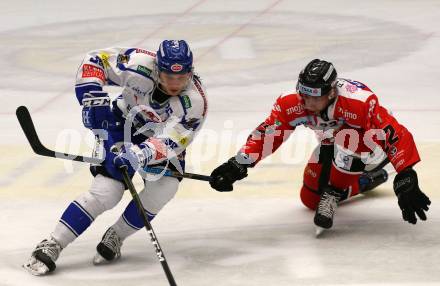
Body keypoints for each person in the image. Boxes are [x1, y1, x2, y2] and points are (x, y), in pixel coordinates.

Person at [23, 40, 208, 275]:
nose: (174, 83)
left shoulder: (195, 102)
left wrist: (138, 155)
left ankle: (116, 235)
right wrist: (93, 98)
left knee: (165, 187)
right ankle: (53, 243)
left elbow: (173, 140)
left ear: (190, 73)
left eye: (181, 78)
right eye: (168, 76)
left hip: (159, 139)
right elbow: (95, 60)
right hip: (122, 124)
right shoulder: (139, 63)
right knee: (107, 191)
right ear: (157, 68)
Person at [209, 59, 430, 230]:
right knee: (310, 199)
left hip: (373, 148)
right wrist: (239, 164)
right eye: (305, 96)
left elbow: (393, 133)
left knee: (348, 138)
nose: (309, 104)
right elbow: (269, 134)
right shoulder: (290, 103)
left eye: (316, 97)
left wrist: (405, 172)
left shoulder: (358, 102)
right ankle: (365, 181)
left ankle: (335, 191)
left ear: (332, 92)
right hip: (333, 146)